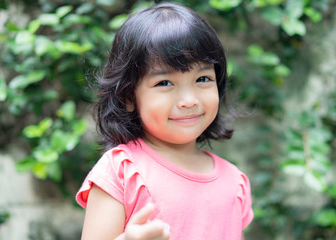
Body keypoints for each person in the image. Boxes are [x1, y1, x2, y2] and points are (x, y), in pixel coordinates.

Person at [76, 2, 253, 240]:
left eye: (202, 78)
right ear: (129, 96)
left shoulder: (235, 182)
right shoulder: (121, 171)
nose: (189, 100)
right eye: (164, 83)